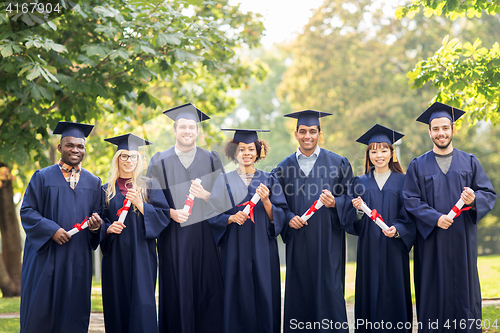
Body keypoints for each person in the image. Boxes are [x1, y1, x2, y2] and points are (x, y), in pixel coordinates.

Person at [403, 102, 496, 332]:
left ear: (453, 129)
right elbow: (410, 200)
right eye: (436, 129)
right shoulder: (418, 165)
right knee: (432, 290)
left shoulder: (470, 162)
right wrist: (435, 218)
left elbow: (488, 193)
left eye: (445, 128)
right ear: (429, 131)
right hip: (432, 241)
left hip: (462, 239)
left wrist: (474, 199)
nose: (441, 133)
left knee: (464, 292)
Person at [147, 103, 225, 333]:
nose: (187, 131)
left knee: (208, 288)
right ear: (174, 130)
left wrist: (206, 195)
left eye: (192, 127)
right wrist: (171, 213)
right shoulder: (159, 160)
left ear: (198, 131)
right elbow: (152, 197)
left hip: (206, 237)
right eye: (183, 127)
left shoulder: (212, 159)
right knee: (175, 287)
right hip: (174, 236)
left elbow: (224, 198)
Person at [272, 110, 353, 332]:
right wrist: (288, 218)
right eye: (303, 131)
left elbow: (352, 198)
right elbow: (278, 204)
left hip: (329, 243)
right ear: (296, 134)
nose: (308, 136)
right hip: (299, 241)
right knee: (301, 294)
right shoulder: (283, 168)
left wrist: (336, 203)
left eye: (313, 131)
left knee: (330, 292)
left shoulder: (338, 163)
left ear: (320, 133)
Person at [20, 121, 104, 333]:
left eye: (80, 146)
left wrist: (96, 227)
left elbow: (98, 216)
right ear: (60, 147)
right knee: (41, 312)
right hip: (45, 257)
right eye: (70, 145)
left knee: (73, 313)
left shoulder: (94, 182)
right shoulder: (42, 177)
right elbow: (27, 211)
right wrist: (52, 230)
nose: (75, 150)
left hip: (77, 259)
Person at [207, 129, 288, 333]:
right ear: (234, 153)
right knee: (235, 295)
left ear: (258, 151)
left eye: (251, 149)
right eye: (241, 149)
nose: (246, 153)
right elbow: (211, 213)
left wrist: (267, 201)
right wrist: (230, 218)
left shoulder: (269, 180)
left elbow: (280, 216)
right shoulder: (224, 181)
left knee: (264, 294)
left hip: (263, 249)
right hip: (234, 248)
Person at [344, 124, 415, 332]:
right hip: (369, 250)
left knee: (395, 293)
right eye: (373, 151)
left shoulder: (404, 181)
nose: (379, 155)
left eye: (384, 150)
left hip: (395, 249)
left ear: (392, 153)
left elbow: (410, 215)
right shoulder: (359, 182)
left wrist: (399, 229)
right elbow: (351, 220)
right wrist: (357, 211)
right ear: (368, 155)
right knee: (369, 293)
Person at [100, 134, 169, 333]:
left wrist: (141, 205)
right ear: (117, 159)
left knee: (143, 303)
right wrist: (107, 228)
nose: (129, 161)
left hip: (142, 253)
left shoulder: (149, 186)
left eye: (134, 157)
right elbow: (99, 218)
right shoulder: (106, 189)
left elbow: (163, 216)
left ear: (139, 160)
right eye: (124, 156)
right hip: (115, 255)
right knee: (117, 301)